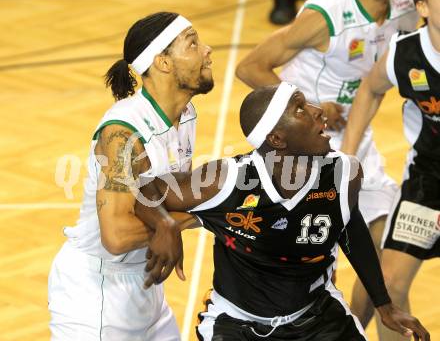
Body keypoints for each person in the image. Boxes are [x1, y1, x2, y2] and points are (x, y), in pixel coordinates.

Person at [135, 83, 430, 341]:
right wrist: (165, 225)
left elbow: (350, 227)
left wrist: (384, 304)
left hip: (317, 316)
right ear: (277, 139)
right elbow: (147, 191)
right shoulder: (226, 180)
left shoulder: (344, 173)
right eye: (300, 109)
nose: (317, 110)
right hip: (237, 324)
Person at [235, 0, 419, 328]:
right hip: (305, 157)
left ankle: (354, 332)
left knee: (387, 270)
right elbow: (249, 67)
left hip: (356, 146)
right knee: (314, 278)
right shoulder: (328, 14)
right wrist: (310, 107)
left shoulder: (407, 10)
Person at [47, 11, 213, 340]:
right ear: (163, 63)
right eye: (192, 43)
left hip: (145, 285)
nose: (207, 50)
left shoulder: (185, 115)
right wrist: (211, 213)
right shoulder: (122, 134)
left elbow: (166, 194)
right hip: (97, 294)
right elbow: (118, 235)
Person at [341, 0, 440, 339]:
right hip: (430, 179)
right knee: (389, 284)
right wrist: (347, 160)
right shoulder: (405, 53)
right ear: (423, 8)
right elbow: (369, 90)